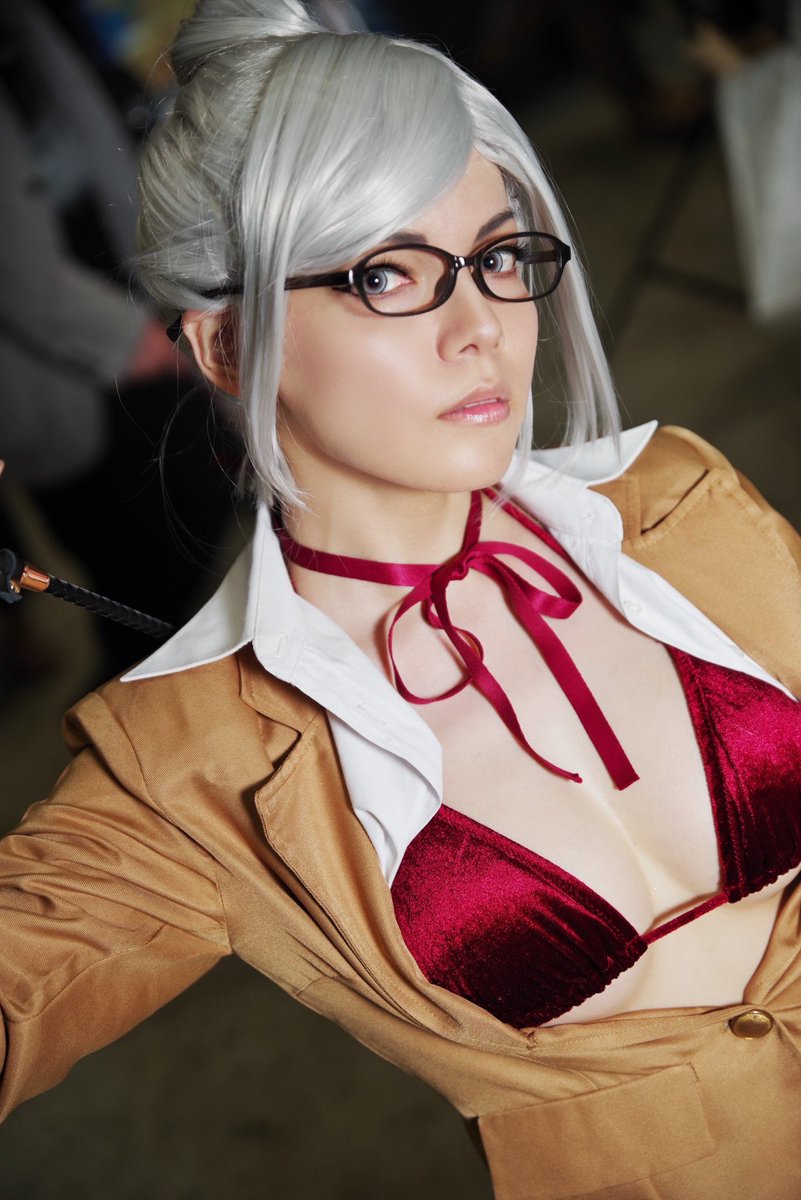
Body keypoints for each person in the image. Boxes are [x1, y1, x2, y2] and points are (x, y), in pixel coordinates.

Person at [2, 2, 801, 1197]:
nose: (483, 328)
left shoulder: (676, 499)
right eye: (386, 274)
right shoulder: (190, 763)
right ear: (226, 349)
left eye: (499, 256)